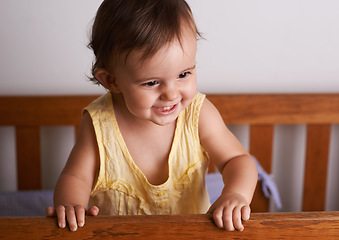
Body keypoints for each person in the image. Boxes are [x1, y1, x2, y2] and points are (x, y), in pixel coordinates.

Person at [46, 0, 258, 232]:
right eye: (152, 82)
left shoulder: (198, 114)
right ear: (111, 80)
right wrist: (71, 204)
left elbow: (236, 160)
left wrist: (236, 193)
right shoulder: (99, 122)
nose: (171, 93)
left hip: (190, 235)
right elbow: (76, 176)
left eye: (183, 73)